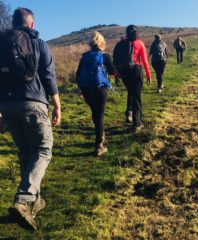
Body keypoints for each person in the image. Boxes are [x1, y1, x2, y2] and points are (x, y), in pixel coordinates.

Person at [0, 8, 61, 230]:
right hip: (33, 103)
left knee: (26, 151)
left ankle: (33, 201)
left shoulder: (2, 43)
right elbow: (48, 76)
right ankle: (24, 200)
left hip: (7, 105)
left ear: (14, 23)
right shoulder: (38, 43)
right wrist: (56, 105)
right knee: (44, 149)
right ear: (32, 24)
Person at [76, 31, 116, 156]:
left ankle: (100, 133)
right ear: (102, 43)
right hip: (100, 89)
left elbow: (78, 75)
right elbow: (113, 71)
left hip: (87, 89)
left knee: (95, 112)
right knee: (99, 115)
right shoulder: (106, 56)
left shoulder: (85, 56)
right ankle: (99, 144)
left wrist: (81, 88)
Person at [113, 25, 151, 131]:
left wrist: (116, 76)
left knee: (131, 92)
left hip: (124, 72)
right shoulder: (139, 43)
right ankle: (137, 124)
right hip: (136, 70)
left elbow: (115, 61)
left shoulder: (120, 44)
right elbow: (145, 61)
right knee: (137, 97)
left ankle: (129, 113)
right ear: (136, 32)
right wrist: (148, 75)